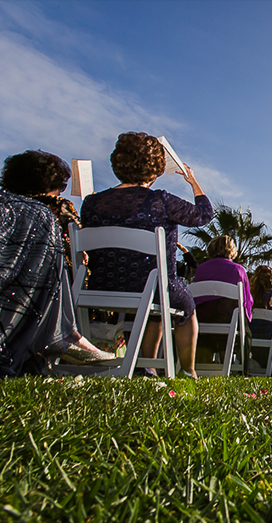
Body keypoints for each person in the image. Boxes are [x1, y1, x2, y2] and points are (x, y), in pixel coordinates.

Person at [80, 132, 213, 379]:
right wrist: (192, 181)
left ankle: (145, 367)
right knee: (184, 305)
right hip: (152, 287)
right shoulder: (160, 201)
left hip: (103, 286)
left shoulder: (91, 203)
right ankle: (188, 371)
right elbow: (204, 215)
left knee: (158, 299)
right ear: (156, 168)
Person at [0, 185, 113, 375]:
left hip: (92, 283)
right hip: (96, 282)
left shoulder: (91, 203)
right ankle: (61, 336)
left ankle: (57, 336)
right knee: (39, 216)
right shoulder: (57, 206)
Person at [0, 150, 82, 271]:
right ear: (51, 182)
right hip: (49, 281)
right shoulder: (56, 206)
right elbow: (83, 245)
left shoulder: (0, 205)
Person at [192, 235, 253, 364]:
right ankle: (237, 366)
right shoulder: (238, 270)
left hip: (202, 319)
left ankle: (204, 361)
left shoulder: (201, 269)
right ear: (232, 250)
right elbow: (247, 301)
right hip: (228, 319)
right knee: (243, 328)